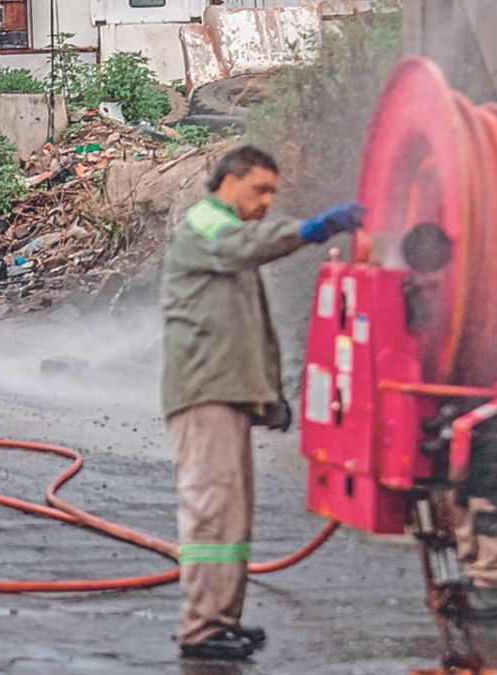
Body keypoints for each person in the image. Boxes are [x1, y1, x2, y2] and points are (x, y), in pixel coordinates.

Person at [161, 145, 364, 660]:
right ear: (228, 181)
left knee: (230, 514)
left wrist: (267, 401)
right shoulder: (209, 223)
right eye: (260, 190)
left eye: (274, 192)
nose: (268, 201)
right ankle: (200, 628)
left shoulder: (227, 237)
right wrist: (313, 228)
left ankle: (220, 621)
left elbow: (244, 333)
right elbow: (243, 246)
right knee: (211, 511)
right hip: (204, 395)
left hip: (225, 394)